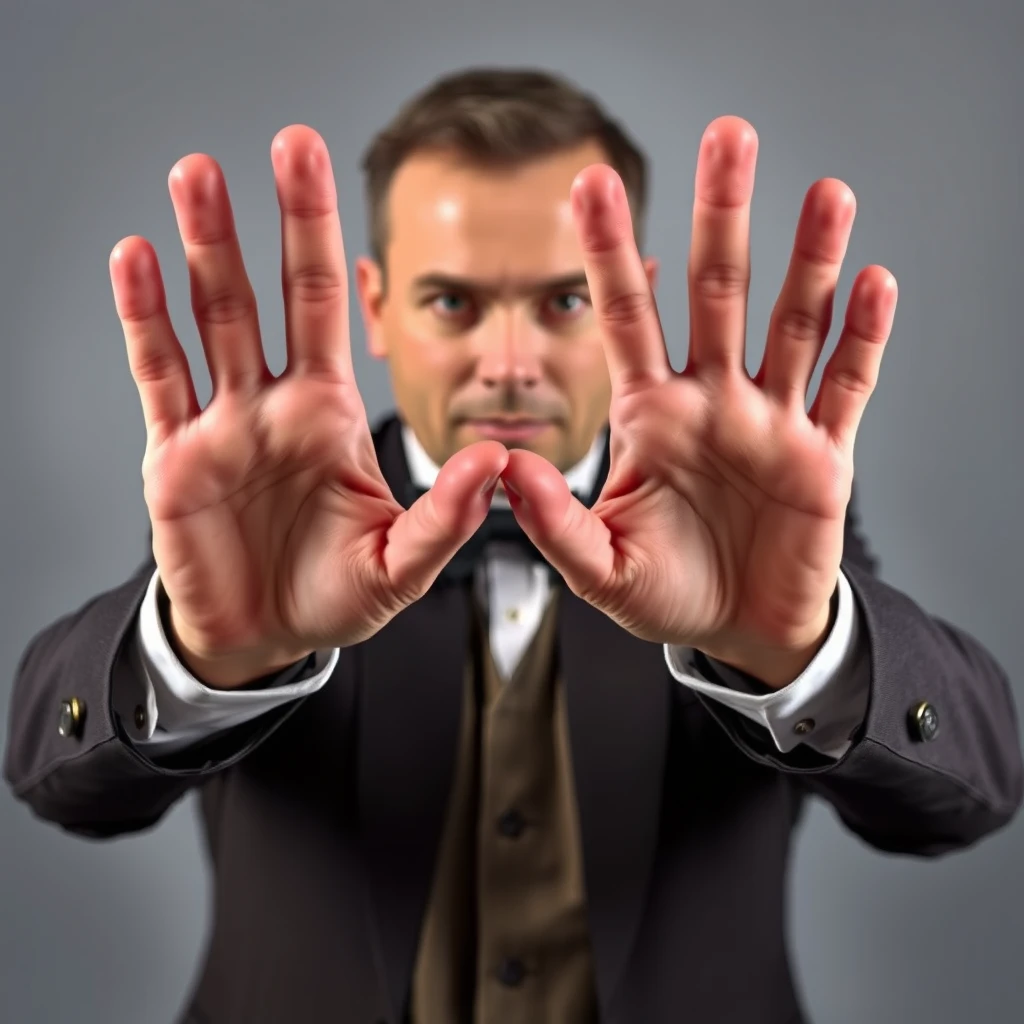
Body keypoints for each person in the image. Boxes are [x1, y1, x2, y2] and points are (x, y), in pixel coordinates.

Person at [4, 66, 1021, 1024]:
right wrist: (195, 659)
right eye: (453, 301)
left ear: (633, 295)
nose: (507, 364)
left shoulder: (748, 529)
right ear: (374, 305)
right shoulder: (260, 531)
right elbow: (59, 783)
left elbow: (968, 797)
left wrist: (805, 654)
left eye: (562, 299)